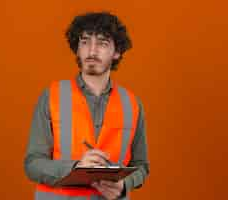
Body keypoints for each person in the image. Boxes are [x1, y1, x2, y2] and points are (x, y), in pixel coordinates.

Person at [24, 11, 149, 200]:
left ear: (117, 52)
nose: (92, 51)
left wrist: (124, 186)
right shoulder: (51, 96)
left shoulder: (132, 104)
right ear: (77, 48)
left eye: (102, 43)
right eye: (84, 42)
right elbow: (32, 164)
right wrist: (75, 168)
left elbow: (142, 166)